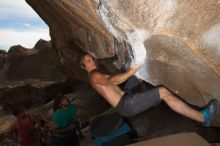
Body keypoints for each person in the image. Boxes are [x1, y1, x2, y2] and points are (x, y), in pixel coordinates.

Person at [80, 53, 219, 127]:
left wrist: (133, 73)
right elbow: (113, 81)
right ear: (84, 66)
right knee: (162, 92)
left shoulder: (94, 75)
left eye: (90, 58)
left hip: (126, 97)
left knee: (138, 76)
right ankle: (202, 117)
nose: (91, 59)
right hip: (126, 104)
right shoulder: (94, 75)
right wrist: (130, 71)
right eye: (87, 60)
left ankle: (152, 99)